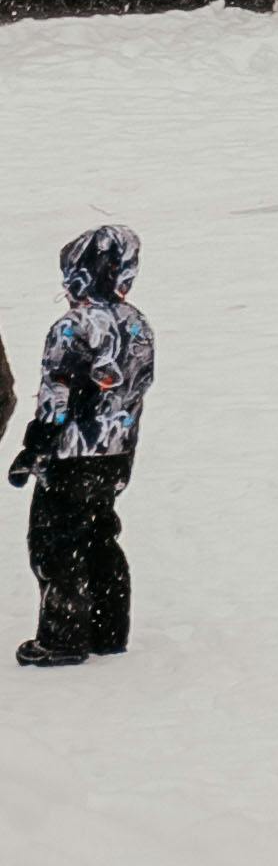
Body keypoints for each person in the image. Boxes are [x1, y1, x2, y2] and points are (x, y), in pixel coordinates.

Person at [6, 224, 152, 668]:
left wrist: (34, 448)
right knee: (99, 533)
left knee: (56, 542)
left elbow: (58, 393)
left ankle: (63, 637)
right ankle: (109, 630)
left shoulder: (72, 326)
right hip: (118, 452)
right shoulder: (138, 324)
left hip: (71, 452)